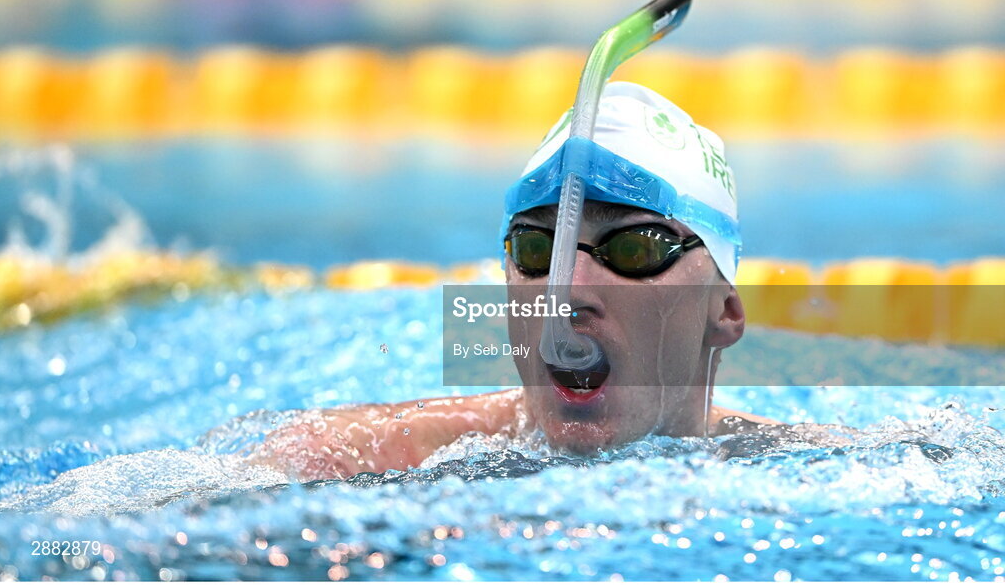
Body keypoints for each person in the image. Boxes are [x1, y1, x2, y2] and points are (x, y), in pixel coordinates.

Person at [250, 82, 777, 481]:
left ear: (725, 311)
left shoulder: (804, 470)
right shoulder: (370, 457)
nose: (563, 293)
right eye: (535, 249)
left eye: (634, 249)